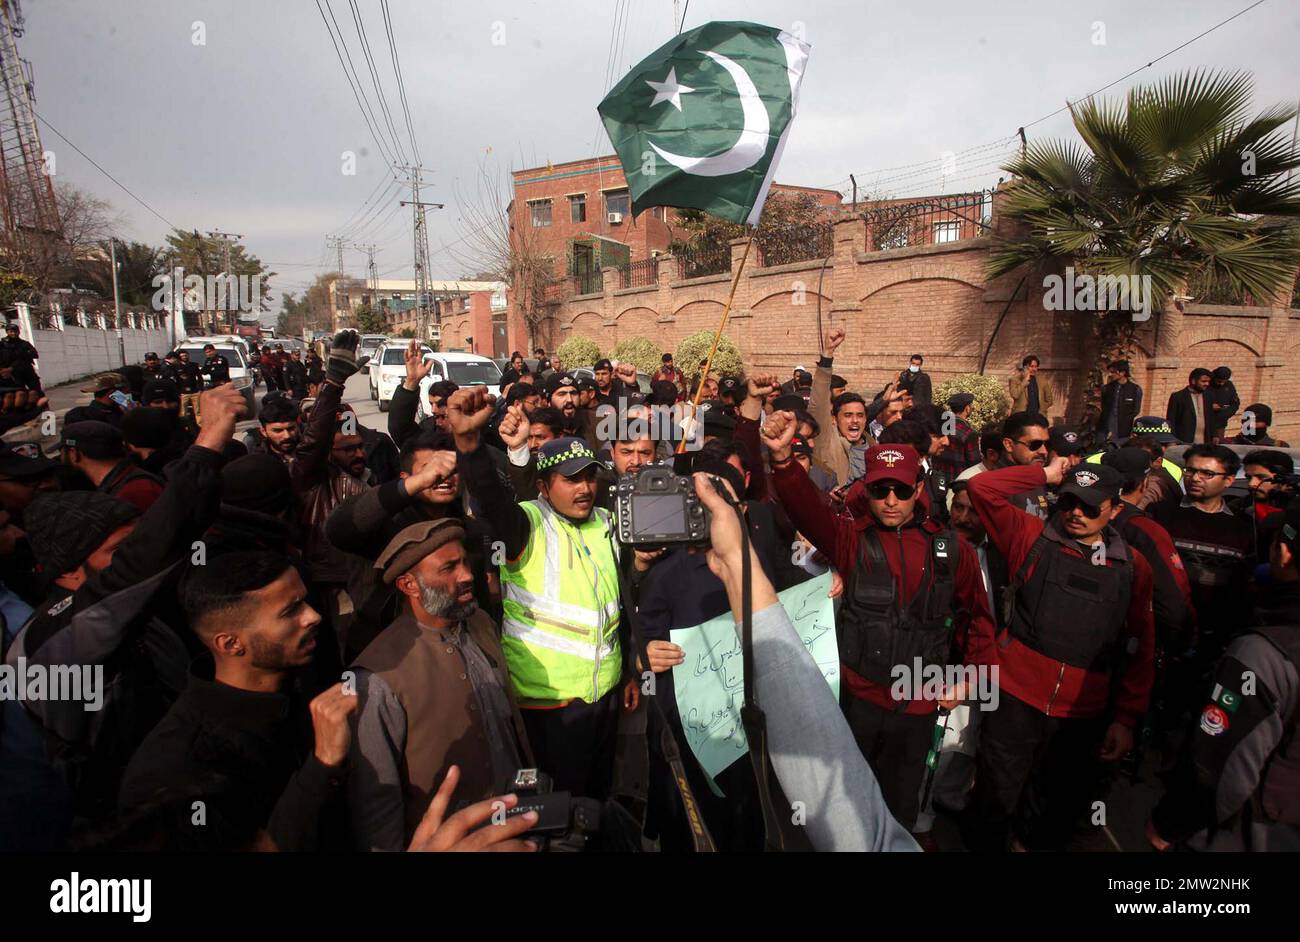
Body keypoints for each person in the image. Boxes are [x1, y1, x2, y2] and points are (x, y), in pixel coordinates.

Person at [5, 383, 248, 823]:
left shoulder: (144, 619)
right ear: (68, 571)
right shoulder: (56, 639)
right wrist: (206, 445)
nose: (137, 561)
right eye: (118, 553)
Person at [766, 416, 996, 836]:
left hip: (919, 706)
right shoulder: (849, 539)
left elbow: (978, 620)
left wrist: (969, 679)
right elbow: (807, 510)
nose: (891, 500)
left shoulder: (952, 551)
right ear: (866, 490)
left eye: (902, 490)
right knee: (846, 806)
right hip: (857, 702)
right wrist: (782, 459)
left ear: (919, 488)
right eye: (880, 489)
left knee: (899, 808)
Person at [965, 459, 1155, 851]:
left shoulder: (1133, 567)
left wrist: (1126, 718)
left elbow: (1141, 646)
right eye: (1069, 501)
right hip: (1015, 697)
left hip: (1081, 712)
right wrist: (1044, 474)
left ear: (1115, 510)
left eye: (1090, 506)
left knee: (1054, 804)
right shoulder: (1030, 535)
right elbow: (982, 488)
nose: (1076, 513)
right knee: (995, 794)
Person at [449, 386, 625, 801]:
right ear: (543, 487)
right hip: (549, 706)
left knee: (598, 799)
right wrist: (470, 444)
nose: (584, 488)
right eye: (571, 480)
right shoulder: (525, 525)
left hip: (605, 694)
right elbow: (490, 495)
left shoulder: (606, 522)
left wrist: (631, 672)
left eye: (589, 477)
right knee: (558, 809)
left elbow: (622, 606)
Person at [118, 553, 355, 851]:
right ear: (231, 643)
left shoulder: (307, 676)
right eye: (290, 611)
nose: (313, 616)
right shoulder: (178, 768)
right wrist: (323, 766)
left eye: (304, 601)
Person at [348, 519, 533, 851]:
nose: (466, 575)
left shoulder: (480, 623)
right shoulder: (377, 677)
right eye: (449, 568)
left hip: (515, 820)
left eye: (464, 562)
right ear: (409, 585)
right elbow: (377, 806)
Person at [1148, 502, 1300, 852]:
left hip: (1247, 833)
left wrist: (1169, 824)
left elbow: (1219, 768)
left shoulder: (1263, 653)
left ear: (1283, 552)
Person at [1152, 445, 1255, 673]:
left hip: (1211, 640)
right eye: (1190, 471)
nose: (1195, 478)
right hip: (1159, 631)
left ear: (1228, 480)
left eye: (1207, 473)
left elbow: (1240, 590)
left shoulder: (1242, 528)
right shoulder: (1161, 514)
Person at [59, 421, 163, 512]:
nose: (60, 457)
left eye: (61, 451)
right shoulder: (125, 483)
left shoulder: (135, 491)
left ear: (74, 453)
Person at [933, 392, 980, 479]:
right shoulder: (968, 433)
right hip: (958, 481)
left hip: (937, 479)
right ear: (967, 408)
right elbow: (975, 464)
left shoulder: (939, 426)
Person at [244, 395, 301, 463]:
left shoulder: (310, 451)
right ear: (263, 431)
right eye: (278, 431)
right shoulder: (258, 461)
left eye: (291, 429)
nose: (287, 436)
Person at [1097, 359, 1142, 443]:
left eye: (1113, 372)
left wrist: (1124, 421)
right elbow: (1104, 408)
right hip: (1104, 430)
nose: (1110, 374)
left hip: (1123, 432)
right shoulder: (1106, 388)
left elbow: (1136, 410)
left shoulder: (1135, 389)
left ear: (1122, 373)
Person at [1166, 367, 1213, 444]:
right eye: (1203, 381)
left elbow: (1211, 418)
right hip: (1183, 441)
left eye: (1208, 381)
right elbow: (1171, 420)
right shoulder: (1178, 397)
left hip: (1204, 442)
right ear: (1193, 381)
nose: (1207, 384)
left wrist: (1214, 435)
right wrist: (1172, 441)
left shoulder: (1208, 396)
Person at [0, 322, 40, 391]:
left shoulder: (24, 344)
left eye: (15, 331)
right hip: (13, 373)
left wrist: (22, 354)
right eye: (11, 331)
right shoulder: (3, 345)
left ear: (19, 332)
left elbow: (35, 354)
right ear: (7, 332)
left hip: (27, 371)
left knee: (36, 391)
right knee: (19, 393)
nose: (14, 333)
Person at [1206, 366, 1240, 443]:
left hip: (1220, 424)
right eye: (1219, 381)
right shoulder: (1206, 385)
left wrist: (1225, 414)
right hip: (1205, 423)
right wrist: (1209, 407)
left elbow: (1235, 404)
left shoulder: (1229, 385)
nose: (1221, 384)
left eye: (1223, 382)